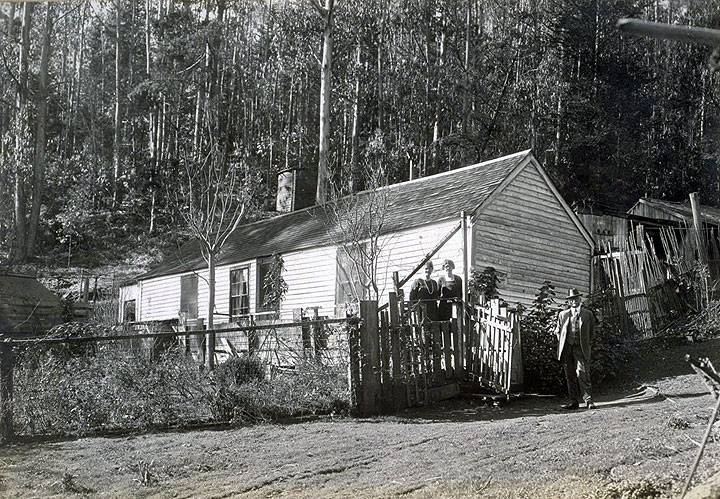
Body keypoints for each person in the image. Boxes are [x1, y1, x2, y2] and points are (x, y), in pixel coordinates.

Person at [554, 288, 596, 410]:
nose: (574, 301)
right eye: (571, 299)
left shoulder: (587, 314)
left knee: (582, 373)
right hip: (567, 349)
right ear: (568, 302)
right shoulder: (563, 314)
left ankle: (588, 400)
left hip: (581, 348)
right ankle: (573, 402)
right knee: (570, 375)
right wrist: (562, 342)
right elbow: (558, 330)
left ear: (580, 299)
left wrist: (588, 344)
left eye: (576, 298)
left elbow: (592, 331)